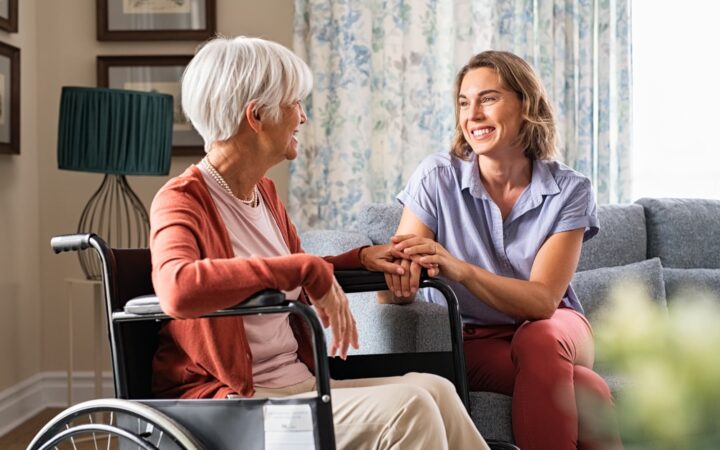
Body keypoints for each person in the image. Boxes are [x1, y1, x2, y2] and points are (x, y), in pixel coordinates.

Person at [149, 36, 489, 450]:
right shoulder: (182, 199)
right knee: (409, 407)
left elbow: (284, 273)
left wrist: (361, 259)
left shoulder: (265, 195)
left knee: (435, 388)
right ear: (256, 116)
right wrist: (306, 268)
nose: (303, 117)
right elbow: (177, 288)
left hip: (295, 386)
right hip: (235, 406)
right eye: (294, 104)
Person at [383, 51, 623, 450]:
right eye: (464, 102)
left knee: (540, 338)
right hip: (474, 339)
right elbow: (393, 279)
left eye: (488, 99)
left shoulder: (569, 190)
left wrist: (459, 270)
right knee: (587, 388)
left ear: (525, 104)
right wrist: (400, 283)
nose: (472, 114)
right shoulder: (436, 177)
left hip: (557, 328)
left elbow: (543, 301)